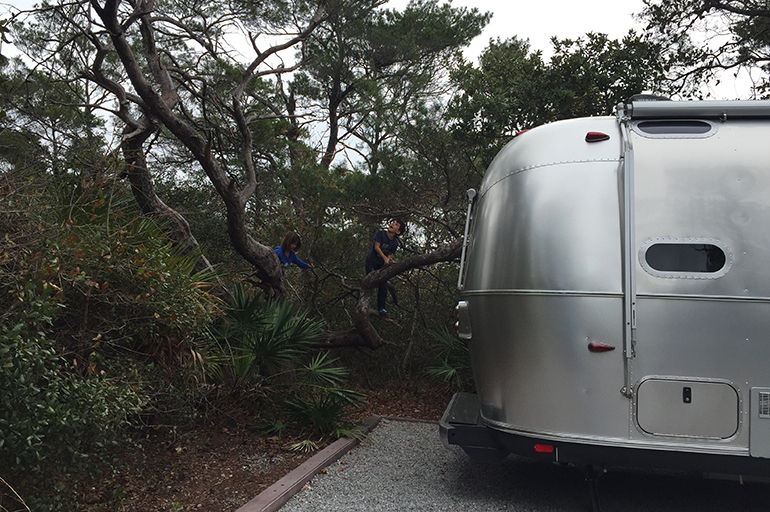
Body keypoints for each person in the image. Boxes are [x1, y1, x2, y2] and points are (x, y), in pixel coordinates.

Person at [364, 219, 405, 315]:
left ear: (398, 232)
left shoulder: (395, 243)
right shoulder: (381, 234)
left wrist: (388, 260)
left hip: (380, 265)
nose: (392, 224)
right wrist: (384, 258)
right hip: (371, 261)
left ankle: (381, 307)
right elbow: (376, 247)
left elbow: (390, 254)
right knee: (368, 281)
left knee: (383, 284)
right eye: (392, 223)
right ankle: (361, 304)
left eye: (395, 224)